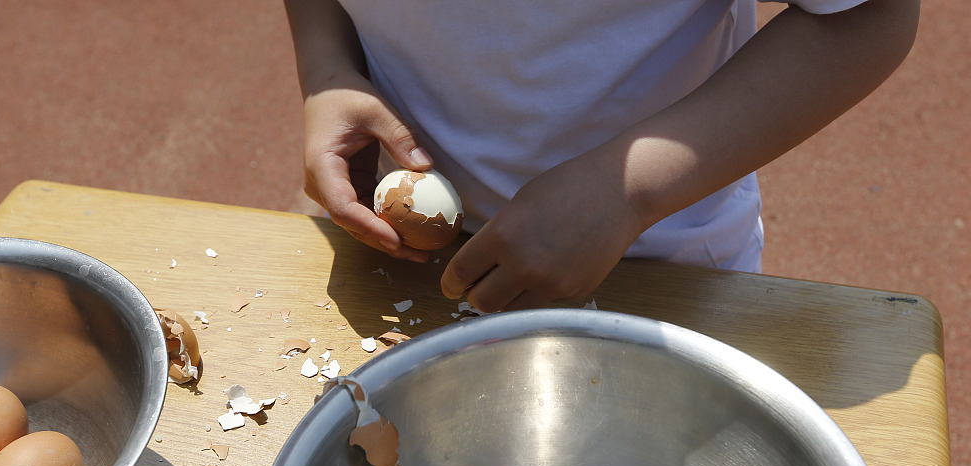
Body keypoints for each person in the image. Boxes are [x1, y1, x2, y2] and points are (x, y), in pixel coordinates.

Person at [284, 0, 919, 313]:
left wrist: (629, 192)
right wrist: (328, 69)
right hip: (397, 246)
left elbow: (868, 17)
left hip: (655, 262)